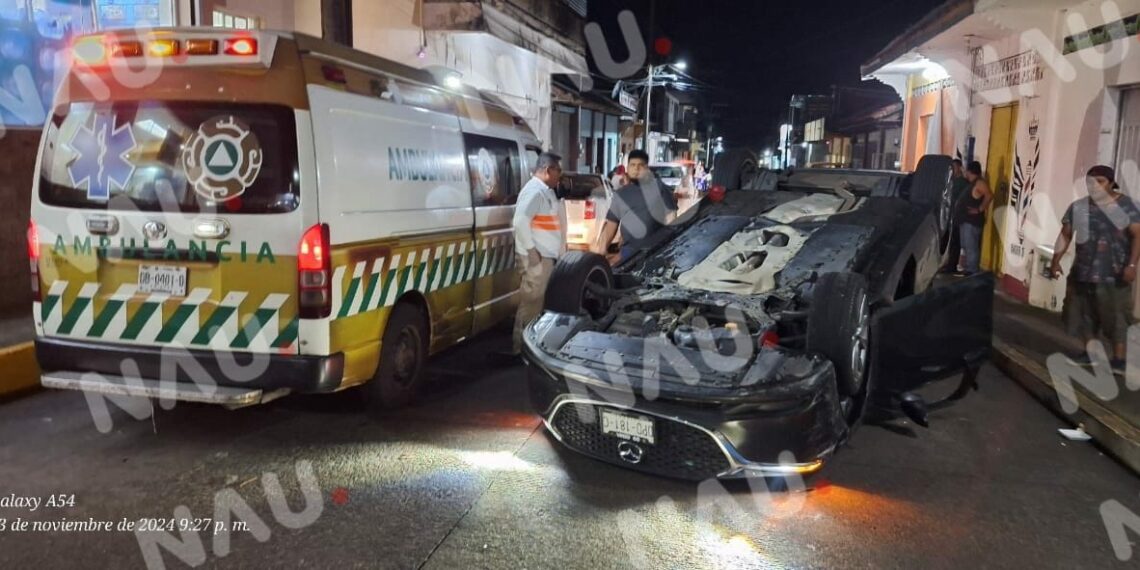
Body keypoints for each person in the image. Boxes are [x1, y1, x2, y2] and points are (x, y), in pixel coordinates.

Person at [1050, 165, 1140, 371]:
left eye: (1100, 181)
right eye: (1091, 182)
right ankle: (1090, 353)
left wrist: (1132, 264)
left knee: (1116, 316)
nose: (1095, 186)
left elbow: (1138, 236)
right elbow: (1065, 234)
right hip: (1083, 271)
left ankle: (1119, 359)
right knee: (1084, 315)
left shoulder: (1128, 207)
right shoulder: (1078, 207)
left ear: (1111, 183)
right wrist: (1056, 261)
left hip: (1114, 274)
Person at [510, 152, 566, 355]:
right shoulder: (534, 191)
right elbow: (519, 222)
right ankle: (521, 349)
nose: (560, 174)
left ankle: (530, 347)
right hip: (536, 258)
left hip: (544, 257)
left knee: (537, 304)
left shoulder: (546, 191)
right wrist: (532, 253)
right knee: (531, 304)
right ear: (547, 170)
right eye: (558, 170)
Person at [592, 149, 678, 261]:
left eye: (640, 165)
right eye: (632, 165)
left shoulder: (659, 188)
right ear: (627, 168)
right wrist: (598, 253)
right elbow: (610, 227)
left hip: (655, 254)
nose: (636, 169)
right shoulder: (620, 195)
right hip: (628, 255)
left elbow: (671, 221)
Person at [959, 161, 993, 275]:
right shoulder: (971, 183)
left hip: (972, 221)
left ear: (970, 171)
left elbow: (989, 195)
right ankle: (969, 267)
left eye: (966, 171)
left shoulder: (979, 183)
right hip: (966, 219)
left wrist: (980, 209)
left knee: (971, 245)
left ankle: (972, 270)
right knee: (966, 244)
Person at [940, 159, 971, 273]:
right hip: (947, 215)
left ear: (959, 167)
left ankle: (952, 265)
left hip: (957, 215)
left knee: (954, 241)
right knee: (946, 240)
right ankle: (946, 263)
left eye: (954, 167)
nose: (952, 170)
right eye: (951, 167)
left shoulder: (962, 182)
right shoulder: (950, 181)